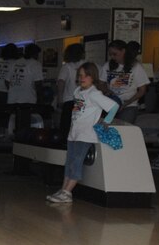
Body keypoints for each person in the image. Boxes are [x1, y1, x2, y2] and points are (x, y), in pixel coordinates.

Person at [47, 62, 119, 203]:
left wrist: (106, 121)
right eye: (80, 75)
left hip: (85, 135)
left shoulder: (94, 94)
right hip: (74, 134)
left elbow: (114, 106)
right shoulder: (78, 91)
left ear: (93, 77)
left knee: (76, 163)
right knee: (69, 163)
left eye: (86, 75)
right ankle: (63, 190)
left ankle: (67, 192)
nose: (82, 78)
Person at [100, 39, 148, 124]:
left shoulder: (136, 67)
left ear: (123, 51)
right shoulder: (107, 65)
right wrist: (107, 91)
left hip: (129, 106)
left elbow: (142, 90)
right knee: (108, 130)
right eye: (110, 55)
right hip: (111, 104)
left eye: (115, 54)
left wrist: (128, 102)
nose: (112, 57)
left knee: (123, 130)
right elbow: (101, 83)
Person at [6, 43, 44, 134]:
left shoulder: (15, 62)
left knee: (15, 122)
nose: (38, 56)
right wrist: (40, 100)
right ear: (34, 54)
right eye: (37, 54)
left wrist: (14, 89)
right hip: (27, 99)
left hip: (12, 99)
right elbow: (38, 84)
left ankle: (14, 140)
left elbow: (7, 81)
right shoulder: (36, 64)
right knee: (24, 126)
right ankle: (22, 143)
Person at [55, 43, 86, 142]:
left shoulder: (67, 67)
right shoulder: (87, 65)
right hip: (84, 101)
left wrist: (60, 98)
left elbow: (61, 82)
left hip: (69, 100)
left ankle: (65, 146)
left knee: (66, 127)